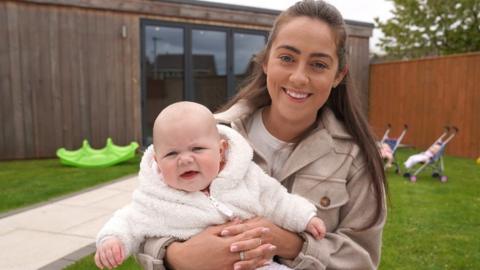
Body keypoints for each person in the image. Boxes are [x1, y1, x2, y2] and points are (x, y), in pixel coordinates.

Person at [138, 0, 388, 269]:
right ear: (266, 61)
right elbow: (143, 217)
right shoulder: (211, 136)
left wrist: (291, 244)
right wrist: (178, 257)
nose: (299, 78)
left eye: (318, 64)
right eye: (287, 58)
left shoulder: (356, 157)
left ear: (339, 75)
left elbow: (363, 259)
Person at [94, 102, 326, 270]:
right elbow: (128, 220)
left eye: (197, 149)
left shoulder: (245, 176)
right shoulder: (156, 198)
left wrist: (305, 217)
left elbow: (277, 199)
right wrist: (112, 240)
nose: (185, 159)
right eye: (172, 153)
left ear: (221, 151)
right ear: (156, 161)